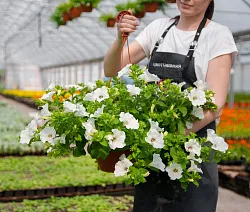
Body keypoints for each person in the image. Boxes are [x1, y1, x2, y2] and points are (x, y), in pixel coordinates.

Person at [104, 0, 238, 211]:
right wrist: (120, 39)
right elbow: (112, 70)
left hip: (194, 153)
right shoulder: (159, 28)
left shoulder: (217, 35)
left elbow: (215, 105)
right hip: (153, 154)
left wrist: (167, 137)